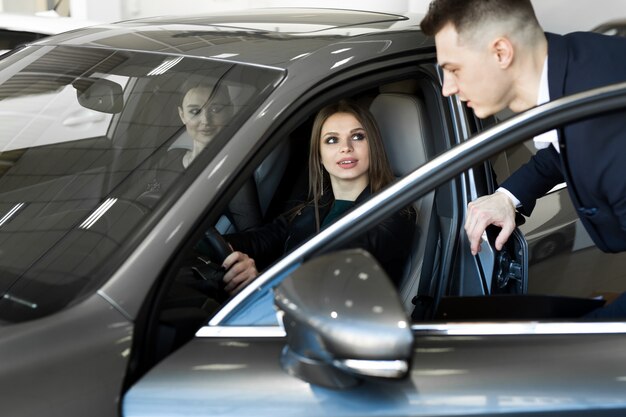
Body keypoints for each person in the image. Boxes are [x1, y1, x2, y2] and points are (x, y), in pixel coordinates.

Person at [421, 0, 626, 317]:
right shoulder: (574, 66)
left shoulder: (607, 133)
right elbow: (562, 147)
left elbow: (589, 144)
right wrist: (507, 197)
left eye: (453, 69)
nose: (447, 88)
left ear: (501, 52)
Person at [219, 100, 417, 295]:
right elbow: (262, 239)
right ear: (319, 155)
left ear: (373, 145)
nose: (346, 147)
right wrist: (205, 242)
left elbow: (332, 276)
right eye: (332, 140)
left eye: (357, 137)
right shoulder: (313, 206)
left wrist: (260, 281)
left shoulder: (394, 212)